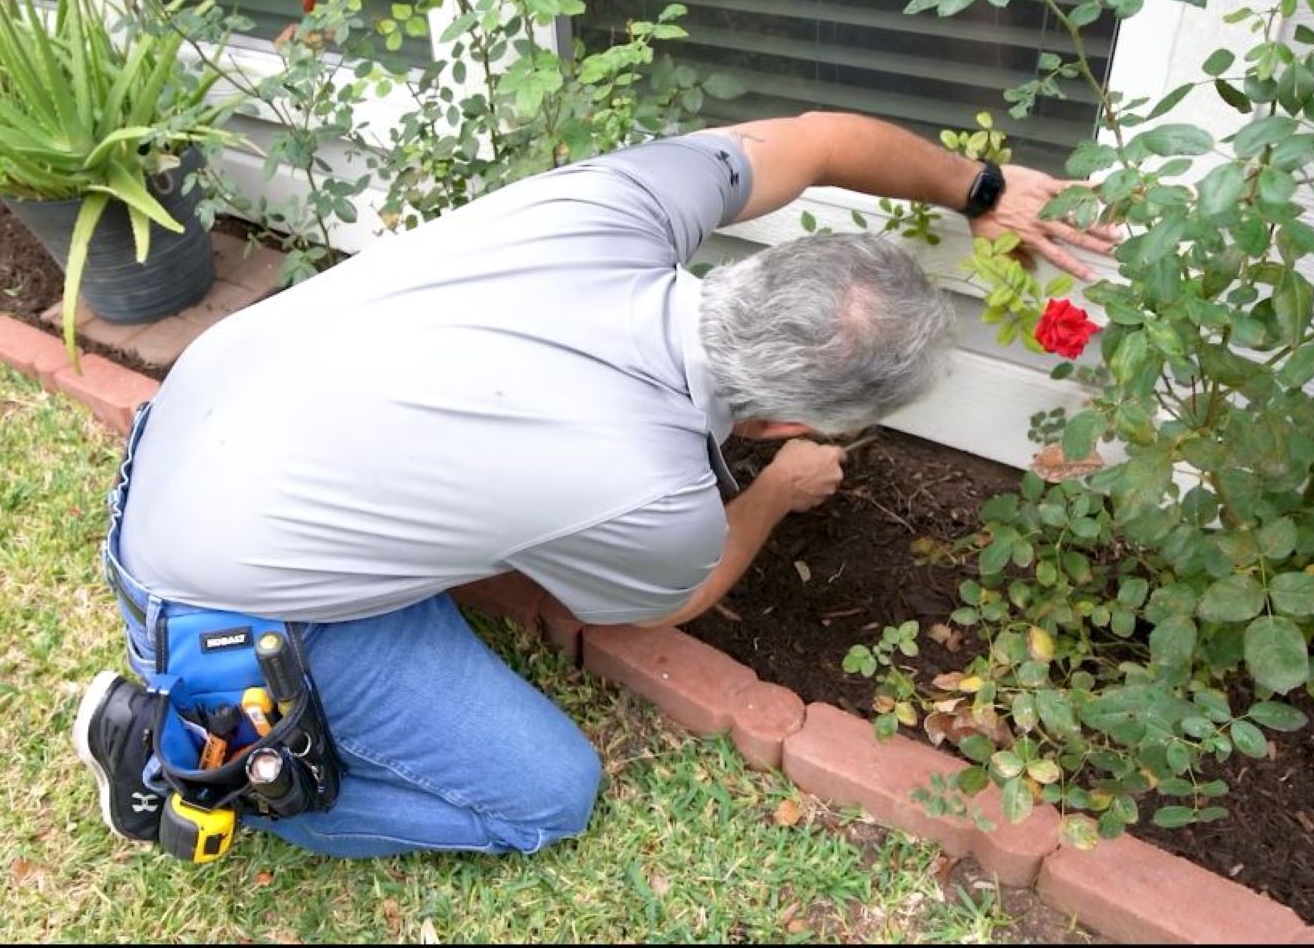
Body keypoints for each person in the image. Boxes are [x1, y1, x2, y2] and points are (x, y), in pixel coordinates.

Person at [71, 109, 1116, 859]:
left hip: (191, 425)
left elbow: (816, 137)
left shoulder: (619, 206)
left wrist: (981, 187)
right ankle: (183, 768)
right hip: (218, 600)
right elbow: (677, 593)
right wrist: (773, 492)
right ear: (793, 421)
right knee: (545, 797)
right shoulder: (647, 490)